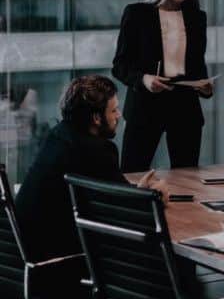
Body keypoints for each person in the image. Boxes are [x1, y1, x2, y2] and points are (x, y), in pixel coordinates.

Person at [15, 74, 167, 264]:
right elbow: (128, 213)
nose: (119, 116)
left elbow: (111, 197)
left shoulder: (58, 136)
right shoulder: (98, 150)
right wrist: (152, 197)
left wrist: (137, 192)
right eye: (114, 110)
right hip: (60, 262)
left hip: (24, 258)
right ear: (96, 117)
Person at [112, 0, 213, 172]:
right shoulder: (137, 14)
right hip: (146, 106)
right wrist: (144, 79)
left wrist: (204, 86)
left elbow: (197, 64)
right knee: (132, 174)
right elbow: (119, 65)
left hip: (185, 108)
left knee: (188, 180)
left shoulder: (197, 18)